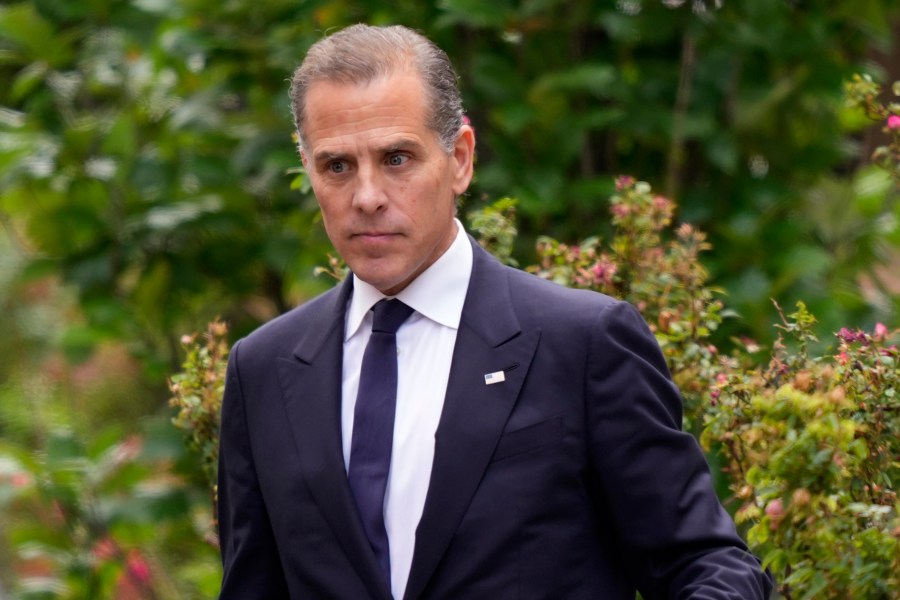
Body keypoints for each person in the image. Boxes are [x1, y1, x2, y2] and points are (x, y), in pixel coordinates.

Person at [216, 23, 773, 600]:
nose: (367, 196)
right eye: (337, 166)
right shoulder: (264, 370)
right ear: (307, 168)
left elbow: (706, 567)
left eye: (397, 158)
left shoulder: (581, 344)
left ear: (459, 158)